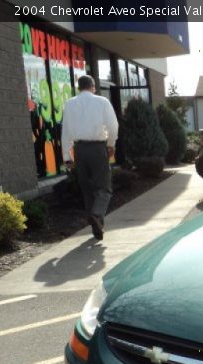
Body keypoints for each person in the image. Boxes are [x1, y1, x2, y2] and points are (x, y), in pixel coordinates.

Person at [61, 75, 118, 241]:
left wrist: (67, 157)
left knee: (87, 190)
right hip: (98, 148)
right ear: (93, 86)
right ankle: (97, 214)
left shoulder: (70, 104)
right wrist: (111, 144)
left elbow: (66, 131)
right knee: (104, 188)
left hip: (80, 149)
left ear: (79, 87)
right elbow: (113, 125)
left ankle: (96, 228)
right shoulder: (102, 102)